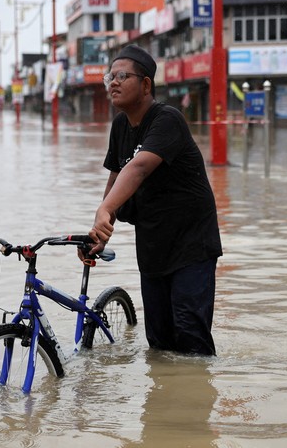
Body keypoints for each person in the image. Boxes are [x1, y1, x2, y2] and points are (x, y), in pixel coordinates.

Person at [85, 44, 221, 356]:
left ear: (146, 85)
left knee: (189, 333)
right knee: (159, 340)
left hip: (191, 243)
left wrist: (105, 207)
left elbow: (139, 166)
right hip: (153, 242)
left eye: (122, 76)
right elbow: (118, 175)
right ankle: (164, 401)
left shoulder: (167, 119)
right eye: (110, 77)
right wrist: (101, 229)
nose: (113, 83)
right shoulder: (120, 125)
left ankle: (196, 399)